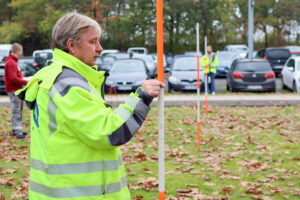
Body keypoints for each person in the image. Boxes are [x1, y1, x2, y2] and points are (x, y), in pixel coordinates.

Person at [16, 12, 164, 200]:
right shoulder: (68, 85)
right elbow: (110, 132)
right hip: (77, 193)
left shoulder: (52, 76)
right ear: (71, 45)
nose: (100, 48)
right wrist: (141, 98)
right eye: (93, 42)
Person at [4, 43, 28, 139]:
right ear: (18, 51)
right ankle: (18, 131)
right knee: (16, 110)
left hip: (15, 89)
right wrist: (26, 81)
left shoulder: (12, 62)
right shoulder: (11, 63)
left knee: (17, 109)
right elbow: (13, 78)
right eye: (21, 51)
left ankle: (16, 129)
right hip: (14, 90)